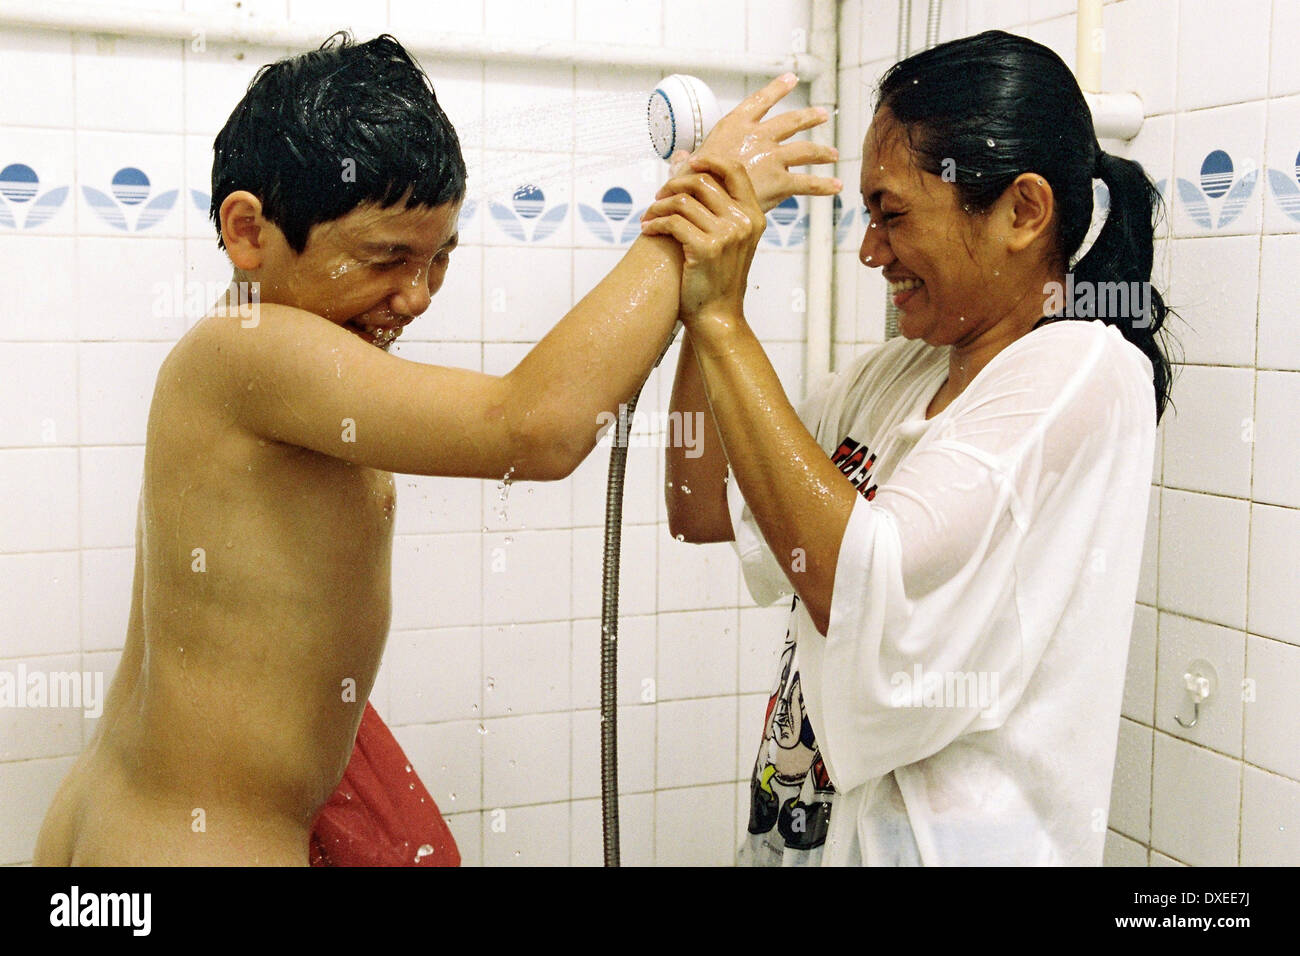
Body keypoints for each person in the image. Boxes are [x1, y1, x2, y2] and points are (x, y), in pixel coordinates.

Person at [32, 33, 839, 866]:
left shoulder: (278, 362)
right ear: (248, 233)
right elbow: (534, 427)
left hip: (132, 823)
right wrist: (695, 219)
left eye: (440, 259)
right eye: (386, 259)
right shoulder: (246, 348)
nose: (414, 298)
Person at [654, 30, 1177, 865]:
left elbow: (866, 583)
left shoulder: (1082, 370)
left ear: (1022, 211)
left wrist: (721, 321)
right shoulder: (897, 374)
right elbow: (699, 505)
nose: (869, 251)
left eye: (891, 215)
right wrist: (706, 302)